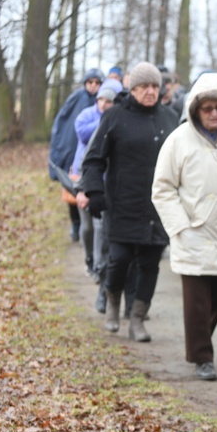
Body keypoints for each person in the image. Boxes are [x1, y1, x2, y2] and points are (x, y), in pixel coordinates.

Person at [152, 72, 217, 381]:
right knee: (197, 302)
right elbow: (163, 188)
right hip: (193, 232)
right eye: (207, 108)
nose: (213, 114)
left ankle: (199, 342)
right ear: (195, 109)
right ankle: (202, 357)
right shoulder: (178, 140)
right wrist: (179, 227)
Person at [81, 62, 179, 342]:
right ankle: (113, 303)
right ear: (132, 89)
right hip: (122, 202)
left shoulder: (170, 118)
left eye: (154, 86)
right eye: (144, 87)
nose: (150, 91)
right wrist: (94, 192)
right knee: (119, 259)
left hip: (158, 205)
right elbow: (93, 159)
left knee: (150, 264)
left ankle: (137, 318)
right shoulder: (114, 117)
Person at [73, 78, 124, 282]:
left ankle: (98, 266)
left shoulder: (119, 119)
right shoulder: (86, 115)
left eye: (109, 101)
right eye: (101, 99)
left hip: (106, 180)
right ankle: (89, 259)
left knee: (100, 226)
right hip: (83, 176)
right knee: (87, 226)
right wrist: (105, 121)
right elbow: (83, 134)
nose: (104, 104)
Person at [49, 68, 105, 241]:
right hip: (75, 153)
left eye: (97, 83)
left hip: (96, 154)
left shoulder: (105, 102)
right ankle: (76, 224)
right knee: (74, 190)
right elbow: (65, 125)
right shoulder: (76, 99)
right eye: (90, 82)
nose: (94, 86)